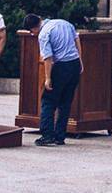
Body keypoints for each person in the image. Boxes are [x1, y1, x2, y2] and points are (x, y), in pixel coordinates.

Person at [32, 14, 83, 147]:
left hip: (61, 66)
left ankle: (47, 135)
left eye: (32, 32)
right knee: (65, 102)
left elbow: (47, 58)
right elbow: (77, 39)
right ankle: (60, 136)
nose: (33, 34)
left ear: (34, 28)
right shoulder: (64, 22)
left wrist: (48, 78)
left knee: (48, 101)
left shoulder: (43, 34)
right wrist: (80, 60)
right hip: (74, 64)